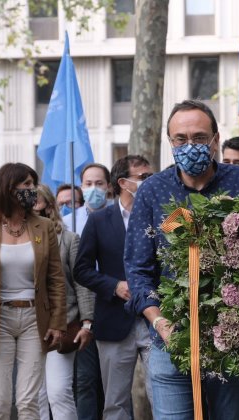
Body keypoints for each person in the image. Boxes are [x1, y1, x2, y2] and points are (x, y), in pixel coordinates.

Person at [124, 99, 239, 419]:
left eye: (199, 138)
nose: (190, 145)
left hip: (231, 341)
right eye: (181, 139)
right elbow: (138, 268)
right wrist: (160, 322)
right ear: (170, 142)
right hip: (170, 345)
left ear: (215, 139)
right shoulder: (152, 191)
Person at [75, 155, 154, 420]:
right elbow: (82, 269)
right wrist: (114, 285)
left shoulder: (163, 215)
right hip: (113, 320)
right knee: (115, 403)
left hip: (155, 319)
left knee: (165, 396)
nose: (149, 182)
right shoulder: (99, 220)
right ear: (122, 182)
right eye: (143, 177)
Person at [0, 163, 67, 418]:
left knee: (28, 402)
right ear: (8, 188)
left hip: (35, 320)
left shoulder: (44, 226)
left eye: (33, 184)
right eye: (26, 185)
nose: (32, 190)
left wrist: (58, 323)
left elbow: (56, 279)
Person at [33, 184, 95, 420]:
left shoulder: (69, 239)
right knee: (34, 395)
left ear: (50, 207)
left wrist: (87, 323)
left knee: (59, 392)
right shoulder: (15, 240)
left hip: (63, 324)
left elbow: (82, 283)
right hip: (28, 326)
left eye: (37, 205)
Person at [63, 164, 109, 420]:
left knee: (113, 383)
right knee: (85, 380)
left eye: (99, 183)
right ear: (80, 187)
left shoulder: (119, 217)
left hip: (112, 305)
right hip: (82, 313)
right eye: (88, 184)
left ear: (109, 186)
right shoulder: (67, 223)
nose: (94, 189)